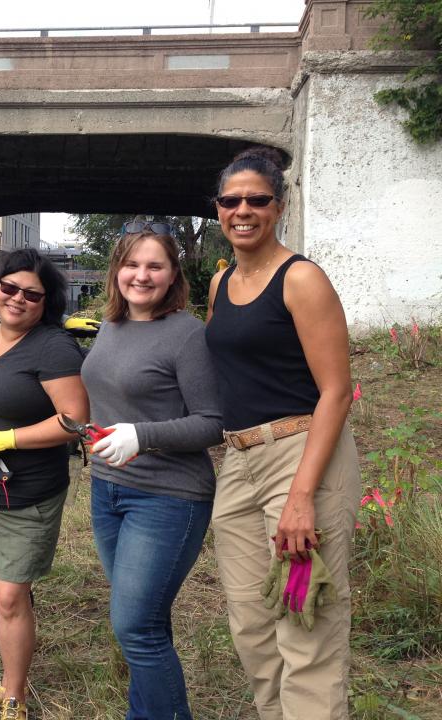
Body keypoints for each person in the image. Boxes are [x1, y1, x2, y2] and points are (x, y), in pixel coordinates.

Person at [205, 146, 361, 720]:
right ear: (217, 209)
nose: (242, 210)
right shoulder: (222, 283)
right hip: (240, 461)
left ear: (279, 205)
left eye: (257, 199)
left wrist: (301, 496)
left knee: (305, 618)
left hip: (302, 456)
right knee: (251, 620)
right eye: (231, 200)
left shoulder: (302, 278)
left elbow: (336, 392)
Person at [80, 222, 223, 719]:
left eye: (154, 265)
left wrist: (144, 435)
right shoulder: (111, 326)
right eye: (132, 264)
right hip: (108, 492)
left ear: (172, 274)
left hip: (168, 497)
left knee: (134, 626)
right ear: (117, 268)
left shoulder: (186, 333)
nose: (141, 275)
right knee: (145, 623)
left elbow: (212, 422)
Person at [0, 248, 88, 720]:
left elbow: (75, 421)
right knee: (5, 594)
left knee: (11, 596)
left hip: (25, 491)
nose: (18, 299)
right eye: (9, 287)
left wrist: (6, 437)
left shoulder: (53, 346)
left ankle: (16, 698)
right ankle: (10, 681)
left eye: (33, 294)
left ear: (46, 302)